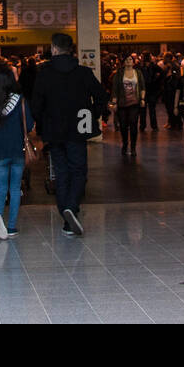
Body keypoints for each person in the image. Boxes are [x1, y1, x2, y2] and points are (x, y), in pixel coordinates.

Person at [31, 32, 107, 237]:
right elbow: (101, 96)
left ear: (54, 48)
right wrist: (91, 115)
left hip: (54, 130)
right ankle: (71, 209)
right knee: (79, 170)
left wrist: (41, 124)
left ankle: (67, 213)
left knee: (61, 172)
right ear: (71, 49)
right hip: (78, 129)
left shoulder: (44, 74)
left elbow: (36, 105)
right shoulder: (83, 73)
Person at [0, 61, 30, 239]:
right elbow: (30, 125)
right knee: (15, 188)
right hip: (17, 150)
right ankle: (11, 227)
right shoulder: (20, 102)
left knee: (1, 188)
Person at [111, 54, 144, 157]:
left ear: (133, 62)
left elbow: (143, 87)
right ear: (124, 62)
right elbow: (115, 90)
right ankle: (125, 144)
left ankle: (133, 147)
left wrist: (142, 99)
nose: (129, 61)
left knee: (134, 124)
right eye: (127, 59)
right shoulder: (119, 74)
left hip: (134, 103)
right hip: (122, 104)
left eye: (130, 59)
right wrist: (114, 103)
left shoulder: (138, 73)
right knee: (123, 126)